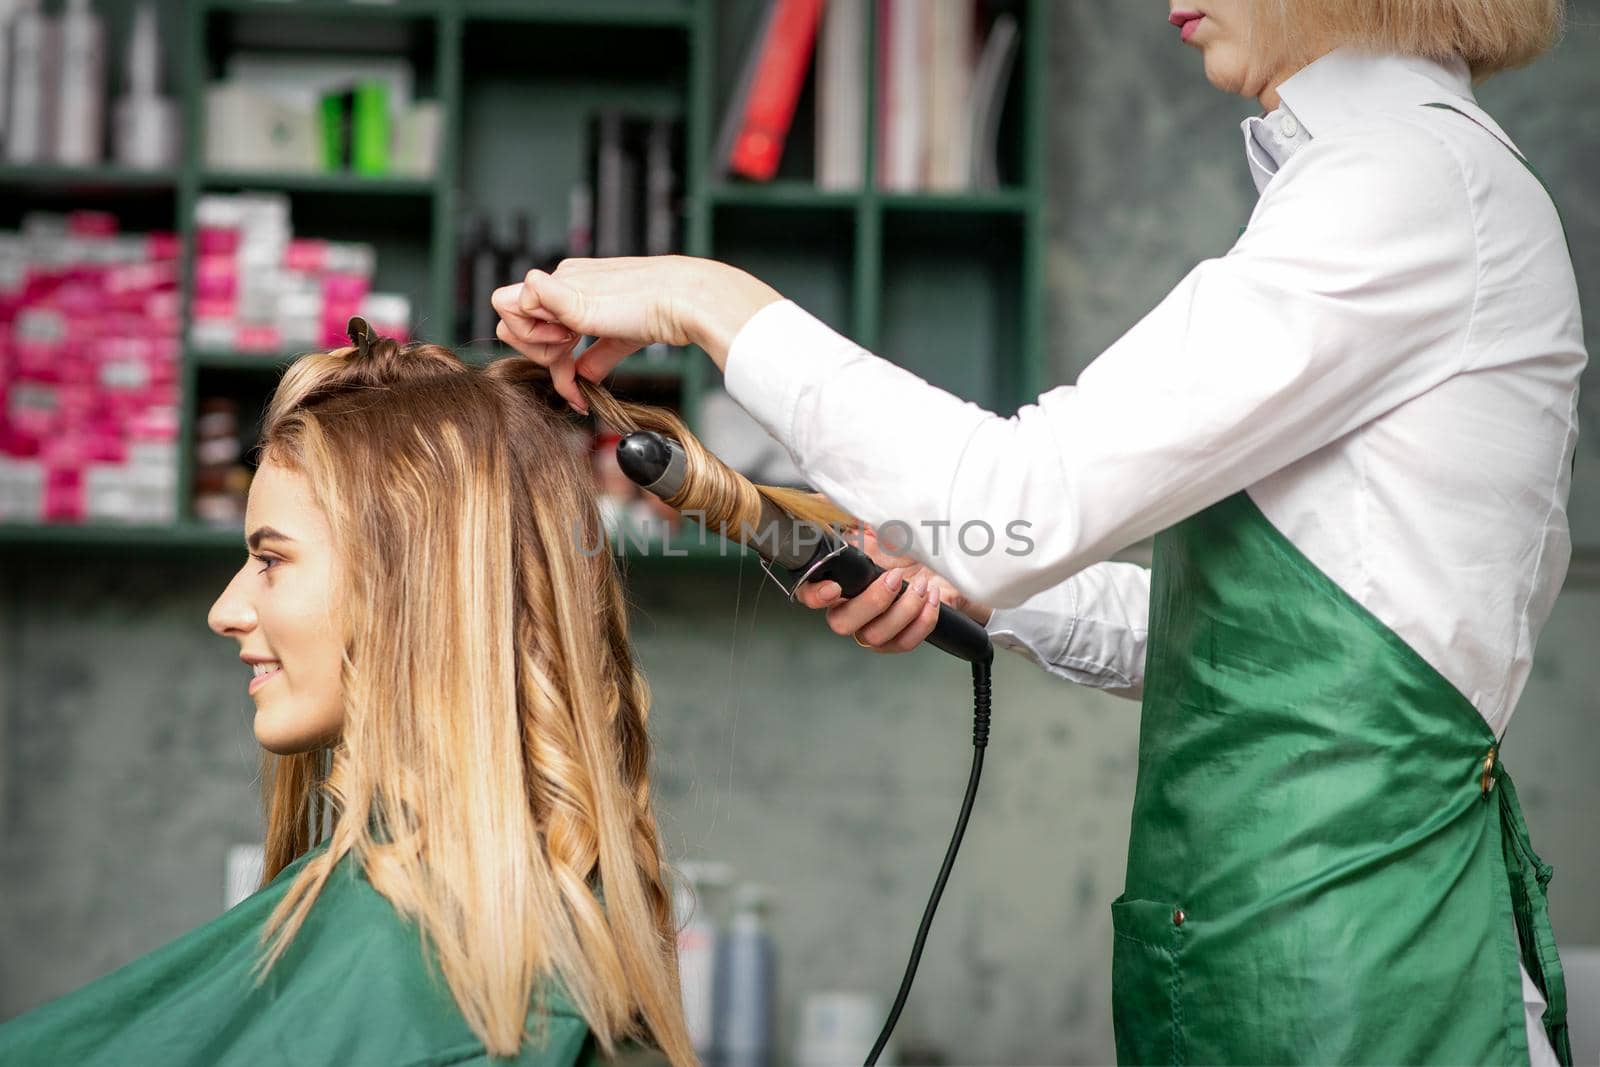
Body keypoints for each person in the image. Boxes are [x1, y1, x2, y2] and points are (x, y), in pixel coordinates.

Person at [491, 0, 1584, 1062]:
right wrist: (971, 587)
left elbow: (1011, 503)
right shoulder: (1399, 181)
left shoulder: (1407, 183)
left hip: (1367, 979)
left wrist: (703, 296)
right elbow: (1257, 650)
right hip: (1277, 961)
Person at [0, 332, 700, 1066]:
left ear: (405, 582)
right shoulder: (562, 965)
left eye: (271, 559)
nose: (226, 608)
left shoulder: (422, 975)